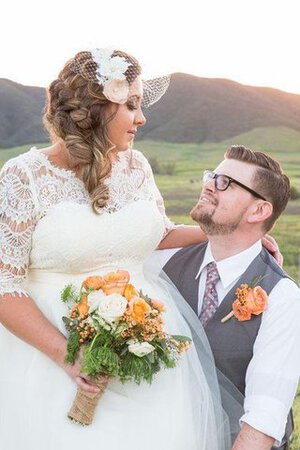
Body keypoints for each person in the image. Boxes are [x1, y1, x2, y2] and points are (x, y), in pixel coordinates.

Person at [0, 47, 238, 450]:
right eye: (130, 105)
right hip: (52, 354)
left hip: (149, 346)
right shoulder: (24, 176)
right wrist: (68, 356)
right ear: (96, 110)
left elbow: (158, 234)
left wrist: (227, 233)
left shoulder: (136, 166)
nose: (141, 118)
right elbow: (5, 284)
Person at [149, 145, 300, 450]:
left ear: (259, 211)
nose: (208, 185)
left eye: (225, 183)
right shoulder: (162, 263)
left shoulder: (282, 297)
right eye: (212, 176)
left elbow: (263, 421)